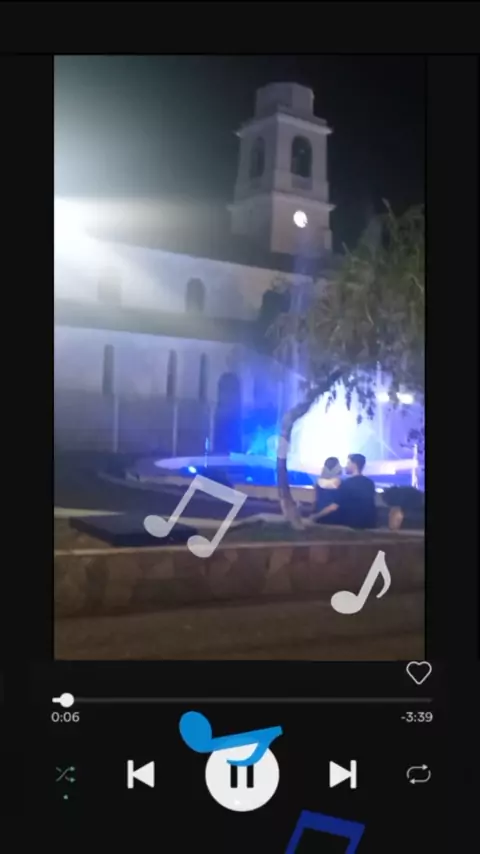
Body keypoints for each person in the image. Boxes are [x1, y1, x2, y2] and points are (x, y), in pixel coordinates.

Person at [313, 453, 377, 529]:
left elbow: (334, 507)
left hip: (351, 523)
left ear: (354, 465)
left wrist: (314, 517)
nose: (345, 466)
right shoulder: (370, 483)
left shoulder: (346, 483)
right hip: (369, 522)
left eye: (348, 463)